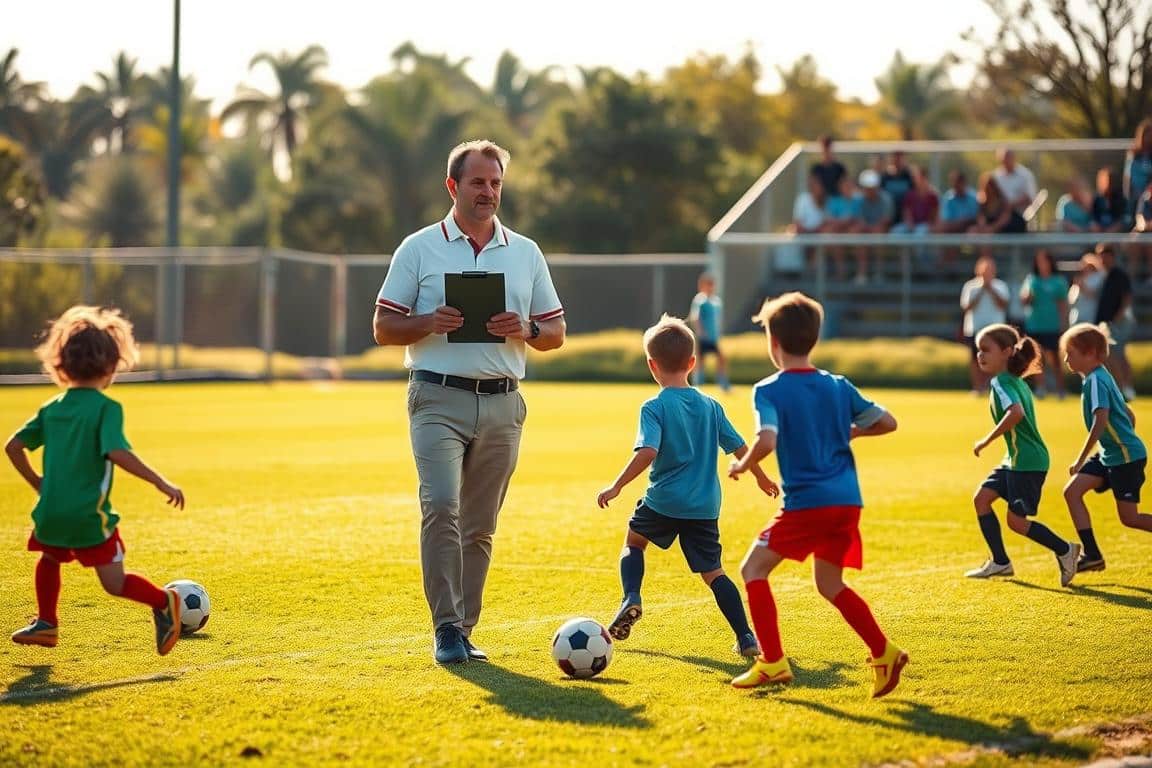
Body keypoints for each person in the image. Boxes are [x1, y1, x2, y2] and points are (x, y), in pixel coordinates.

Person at [373, 139, 566, 665]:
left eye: (496, 183)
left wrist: (524, 329)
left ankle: (463, 628)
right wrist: (427, 322)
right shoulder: (417, 248)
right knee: (440, 506)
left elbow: (556, 332)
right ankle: (446, 630)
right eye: (479, 182)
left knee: (480, 525)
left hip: (504, 405)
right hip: (436, 397)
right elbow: (383, 326)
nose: (489, 192)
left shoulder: (525, 251)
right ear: (453, 187)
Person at [727, 292, 907, 698]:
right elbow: (888, 422)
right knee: (830, 583)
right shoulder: (838, 386)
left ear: (773, 343)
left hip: (808, 503)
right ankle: (884, 651)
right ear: (814, 339)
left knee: (752, 570)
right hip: (846, 501)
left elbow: (768, 437)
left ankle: (771, 661)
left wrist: (743, 464)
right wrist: (852, 431)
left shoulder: (769, 389)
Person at [4, 306, 185, 654]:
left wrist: (38, 483)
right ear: (111, 365)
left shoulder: (51, 408)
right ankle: (165, 601)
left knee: (49, 559)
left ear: (60, 362)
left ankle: (46, 623)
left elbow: (13, 446)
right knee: (114, 583)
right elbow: (117, 453)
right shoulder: (106, 408)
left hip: (51, 513)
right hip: (90, 516)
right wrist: (160, 481)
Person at [596, 316, 779, 658]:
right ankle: (746, 637)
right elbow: (740, 447)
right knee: (714, 573)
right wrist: (761, 476)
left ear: (652, 365)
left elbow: (648, 451)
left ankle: (631, 597)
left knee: (634, 541)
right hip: (704, 506)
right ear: (693, 362)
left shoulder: (654, 407)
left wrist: (617, 485)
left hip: (663, 500)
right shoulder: (711, 405)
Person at [966, 324, 1081, 586]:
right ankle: (1000, 562)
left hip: (1027, 462)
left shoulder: (1001, 383)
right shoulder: (1013, 381)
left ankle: (1065, 550)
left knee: (1016, 522)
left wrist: (986, 440)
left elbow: (1015, 413)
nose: (980, 356)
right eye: (978, 351)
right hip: (1014, 459)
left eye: (986, 350)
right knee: (982, 499)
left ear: (1007, 352)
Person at [1060, 323, 1152, 572]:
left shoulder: (1095, 381)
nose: (1066, 359)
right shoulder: (1100, 376)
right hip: (1111, 455)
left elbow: (1101, 419)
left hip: (1124, 458)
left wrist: (1080, 460)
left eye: (1071, 353)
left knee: (1130, 519)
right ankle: (1092, 556)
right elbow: (1129, 414)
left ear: (1089, 353)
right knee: (1072, 492)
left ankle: (1092, 555)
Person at [1019, 249, 1069, 398]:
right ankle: (1041, 388)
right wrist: (1028, 296)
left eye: (1044, 261)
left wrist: (1064, 324)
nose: (1042, 264)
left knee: (1055, 359)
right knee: (1037, 358)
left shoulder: (1058, 281)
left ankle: (1061, 389)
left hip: (1052, 325)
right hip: (1034, 324)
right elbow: (1024, 301)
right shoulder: (1031, 280)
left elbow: (1063, 305)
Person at [960, 254, 1010, 394]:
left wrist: (990, 289)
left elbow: (1003, 304)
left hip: (995, 330)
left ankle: (995, 388)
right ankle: (977, 387)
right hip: (975, 328)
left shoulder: (1000, 286)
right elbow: (967, 307)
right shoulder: (971, 286)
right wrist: (982, 289)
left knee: (995, 359)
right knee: (975, 360)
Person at [1093, 243, 1136, 401]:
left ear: (1112, 257)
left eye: (1105, 256)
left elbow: (1127, 299)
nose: (1103, 260)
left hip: (1118, 322)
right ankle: (1123, 388)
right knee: (1115, 355)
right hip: (1107, 322)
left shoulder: (1119, 274)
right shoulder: (1104, 275)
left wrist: (1116, 320)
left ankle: (1124, 388)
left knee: (1117, 355)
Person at [688, 272, 730, 392]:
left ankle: (723, 383)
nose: (711, 287)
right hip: (703, 337)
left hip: (713, 337)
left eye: (712, 284)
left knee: (721, 358)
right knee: (699, 361)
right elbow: (695, 318)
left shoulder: (716, 301)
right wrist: (700, 331)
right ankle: (697, 384)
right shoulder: (700, 300)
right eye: (708, 284)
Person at [850, 169, 893, 284]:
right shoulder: (858, 199)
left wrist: (873, 228)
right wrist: (868, 228)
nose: (869, 191)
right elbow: (858, 220)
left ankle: (879, 272)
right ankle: (862, 273)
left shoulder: (885, 198)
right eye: (867, 188)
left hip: (879, 230)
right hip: (866, 230)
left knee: (878, 233)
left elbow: (886, 220)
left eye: (872, 187)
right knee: (858, 233)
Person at [992, 148, 1037, 219]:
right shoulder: (995, 176)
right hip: (999, 214)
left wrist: (1011, 205)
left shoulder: (1025, 175)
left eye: (1007, 158)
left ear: (1014, 158)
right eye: (1003, 160)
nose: (1005, 162)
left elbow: (1030, 198)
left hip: (1020, 215)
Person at [1068, 252, 1104, 326]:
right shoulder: (1080, 279)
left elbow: (1095, 295)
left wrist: (1082, 287)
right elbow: (1071, 300)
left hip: (1091, 316)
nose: (1086, 268)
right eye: (1084, 265)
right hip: (1077, 317)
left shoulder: (1099, 278)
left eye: (1089, 266)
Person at [880, 150, 914, 227]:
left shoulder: (908, 176)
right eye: (895, 157)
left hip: (905, 214)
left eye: (900, 157)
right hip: (889, 214)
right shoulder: (885, 176)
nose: (897, 160)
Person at [1089, 167, 1129, 233]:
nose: (1104, 183)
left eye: (1107, 180)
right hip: (1100, 235)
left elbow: (1123, 220)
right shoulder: (1097, 200)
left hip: (1115, 236)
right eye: (1102, 181)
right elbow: (1093, 220)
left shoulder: (1121, 200)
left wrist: (1111, 231)